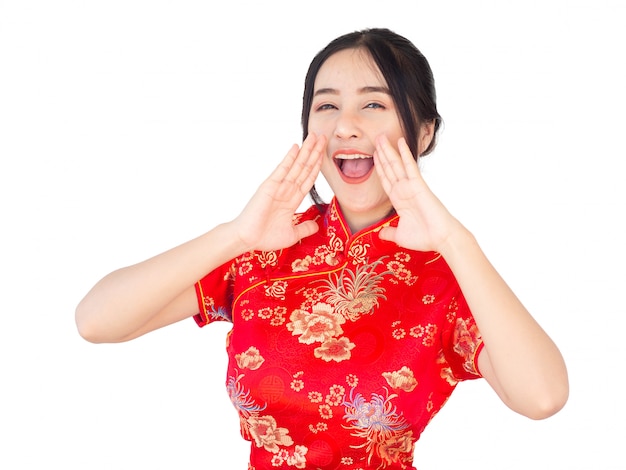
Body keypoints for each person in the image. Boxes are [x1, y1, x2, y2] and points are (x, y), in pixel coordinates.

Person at [75, 28, 568, 470]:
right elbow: (96, 321)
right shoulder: (268, 247)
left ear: (423, 132)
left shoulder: (449, 274)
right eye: (326, 105)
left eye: (373, 104)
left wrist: (455, 241)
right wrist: (237, 235)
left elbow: (542, 397)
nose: (344, 125)